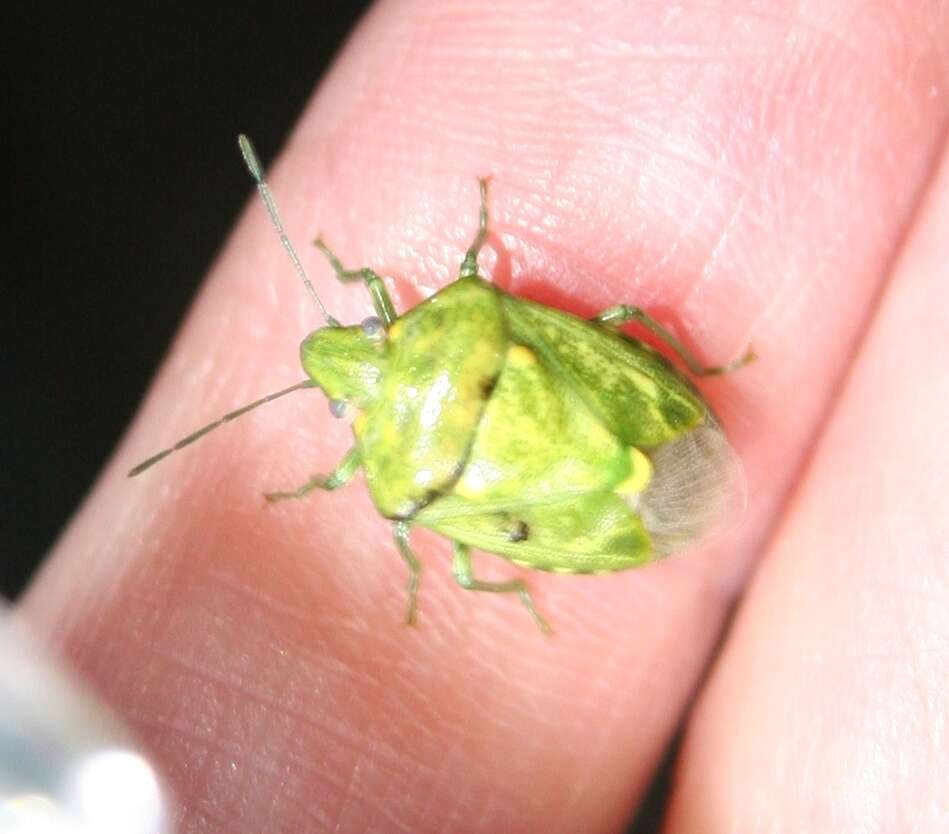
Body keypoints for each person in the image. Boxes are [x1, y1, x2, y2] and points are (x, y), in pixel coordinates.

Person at [18, 1, 949, 831]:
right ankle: (707, 378)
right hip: (613, 406)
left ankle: (565, 555)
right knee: (619, 327)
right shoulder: (462, 315)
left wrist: (334, 489)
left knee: (458, 567)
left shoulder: (390, 484)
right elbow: (451, 288)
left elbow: (365, 493)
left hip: (556, 514)